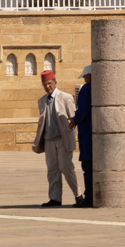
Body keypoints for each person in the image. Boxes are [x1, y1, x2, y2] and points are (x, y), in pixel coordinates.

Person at [32, 69, 80, 207]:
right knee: (52, 170)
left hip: (63, 140)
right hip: (49, 140)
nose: (48, 87)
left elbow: (73, 119)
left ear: (55, 83)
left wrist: (71, 137)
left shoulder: (66, 97)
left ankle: (78, 195)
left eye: (49, 83)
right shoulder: (41, 101)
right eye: (45, 85)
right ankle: (55, 198)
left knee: (65, 167)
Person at [73, 64, 94, 208]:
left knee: (88, 165)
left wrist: (74, 120)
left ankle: (89, 197)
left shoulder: (86, 88)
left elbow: (83, 110)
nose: (85, 79)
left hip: (87, 132)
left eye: (85, 77)